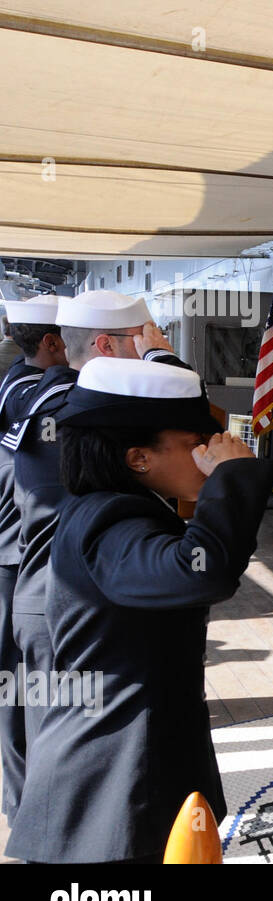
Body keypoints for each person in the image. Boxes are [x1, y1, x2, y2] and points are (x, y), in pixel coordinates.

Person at [4, 357, 273, 863]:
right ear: (138, 458)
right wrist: (233, 476)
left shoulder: (116, 507)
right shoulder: (111, 522)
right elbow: (201, 570)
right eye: (195, 442)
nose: (207, 452)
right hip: (112, 788)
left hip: (132, 767)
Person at [6, 290, 187, 797]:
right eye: (142, 339)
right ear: (107, 346)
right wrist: (163, 359)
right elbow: (192, 423)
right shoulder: (92, 410)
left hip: (52, 594)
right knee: (73, 764)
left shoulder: (49, 395)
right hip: (74, 601)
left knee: (57, 750)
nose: (150, 347)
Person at [0, 294, 64, 820]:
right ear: (50, 342)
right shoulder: (30, 393)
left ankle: (26, 795)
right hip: (11, 558)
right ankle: (24, 800)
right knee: (14, 683)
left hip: (17, 554)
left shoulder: (19, 382)